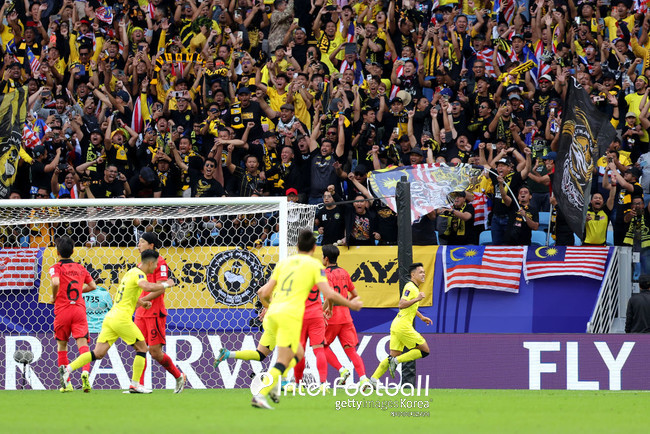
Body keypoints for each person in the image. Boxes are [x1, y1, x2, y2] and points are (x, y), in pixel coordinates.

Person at [250, 229, 362, 409]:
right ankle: (264, 392)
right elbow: (328, 294)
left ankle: (276, 385)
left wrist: (269, 306)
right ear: (314, 247)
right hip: (291, 316)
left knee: (298, 354)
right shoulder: (314, 266)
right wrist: (351, 305)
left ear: (297, 246)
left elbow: (263, 292)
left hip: (276, 313)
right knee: (284, 359)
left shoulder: (283, 264)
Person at [62, 250, 175, 394]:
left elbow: (126, 297)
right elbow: (147, 287)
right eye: (155, 265)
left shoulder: (129, 273)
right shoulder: (139, 274)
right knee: (142, 348)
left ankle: (67, 370)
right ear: (151, 263)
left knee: (98, 353)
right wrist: (166, 284)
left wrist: (142, 302)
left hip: (111, 317)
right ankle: (135, 385)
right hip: (121, 318)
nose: (155, 268)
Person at [133, 232, 187, 393]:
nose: (139, 244)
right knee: (139, 348)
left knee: (155, 352)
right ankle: (138, 384)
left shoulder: (160, 263)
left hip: (154, 312)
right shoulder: (140, 264)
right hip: (141, 313)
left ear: (151, 245)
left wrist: (143, 300)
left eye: (142, 242)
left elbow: (160, 288)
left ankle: (179, 376)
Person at [369, 262, 432, 388]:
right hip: (403, 326)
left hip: (397, 325)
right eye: (420, 272)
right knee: (425, 350)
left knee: (393, 354)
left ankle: (373, 380)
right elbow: (401, 304)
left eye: (424, 272)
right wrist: (418, 299)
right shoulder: (410, 287)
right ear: (413, 274)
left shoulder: (414, 287)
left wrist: (421, 317)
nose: (423, 274)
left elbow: (410, 307)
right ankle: (396, 361)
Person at [49, 236, 97, 392]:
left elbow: (55, 282)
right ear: (73, 251)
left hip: (62, 310)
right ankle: (85, 373)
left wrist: (53, 296)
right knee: (83, 345)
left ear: (57, 252)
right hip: (78, 310)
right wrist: (77, 291)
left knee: (62, 346)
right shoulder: (80, 268)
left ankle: (66, 384)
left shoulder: (56, 267)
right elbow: (93, 286)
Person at [321, 244, 368, 387]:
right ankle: (363, 379)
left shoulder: (325, 274)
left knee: (322, 345)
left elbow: (329, 296)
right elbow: (354, 294)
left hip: (332, 315)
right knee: (351, 350)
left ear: (326, 258)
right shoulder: (344, 273)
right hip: (346, 317)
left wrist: (325, 310)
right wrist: (347, 305)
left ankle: (341, 370)